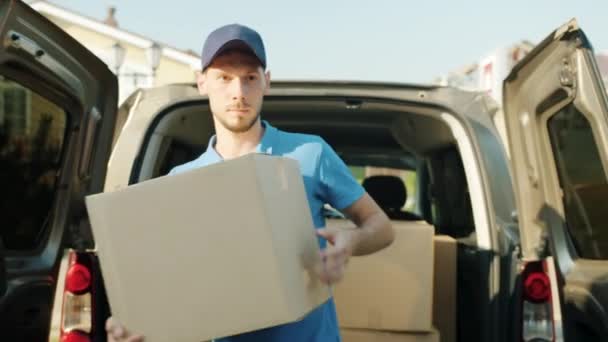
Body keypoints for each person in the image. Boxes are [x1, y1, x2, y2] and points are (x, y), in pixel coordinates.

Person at [106, 23, 394, 342]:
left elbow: (381, 226)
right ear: (202, 82)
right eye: (224, 78)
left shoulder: (311, 153)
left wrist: (349, 243)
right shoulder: (181, 180)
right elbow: (173, 279)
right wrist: (139, 323)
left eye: (250, 78)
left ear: (266, 82)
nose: (238, 93)